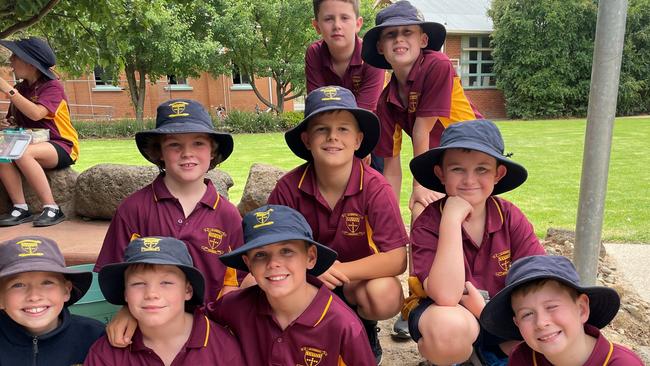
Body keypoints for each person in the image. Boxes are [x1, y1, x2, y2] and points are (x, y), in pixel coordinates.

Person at [268, 85, 408, 364]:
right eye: (322, 129)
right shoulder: (288, 187)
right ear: (306, 140)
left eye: (343, 129)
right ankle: (295, 335)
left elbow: (397, 258)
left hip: (356, 280)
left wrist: (339, 271)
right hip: (304, 279)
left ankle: (364, 327)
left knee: (386, 294)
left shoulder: (375, 186)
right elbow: (271, 246)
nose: (333, 137)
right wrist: (310, 272)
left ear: (358, 140)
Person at [405, 119, 546, 365]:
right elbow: (446, 296)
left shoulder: (510, 217)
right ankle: (452, 358)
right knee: (448, 328)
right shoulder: (428, 223)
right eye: (458, 169)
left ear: (498, 174)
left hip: (500, 318)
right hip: (446, 313)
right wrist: (450, 220)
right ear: (441, 173)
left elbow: (539, 279)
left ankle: (486, 356)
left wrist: (488, 313)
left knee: (549, 327)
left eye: (481, 169)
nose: (469, 180)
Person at [94, 99, 243, 306]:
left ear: (212, 151)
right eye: (174, 145)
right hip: (150, 323)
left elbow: (235, 282)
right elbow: (116, 275)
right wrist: (128, 312)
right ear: (159, 152)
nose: (187, 153)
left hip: (209, 325)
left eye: (198, 143)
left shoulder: (227, 215)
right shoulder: (134, 209)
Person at [206, 204, 375, 365]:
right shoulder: (233, 307)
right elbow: (193, 325)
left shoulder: (343, 326)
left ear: (310, 257)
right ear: (248, 263)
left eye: (286, 251)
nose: (273, 264)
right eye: (260, 255)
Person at [361, 0, 482, 220]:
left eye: (408, 32)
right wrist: (388, 217)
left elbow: (421, 130)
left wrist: (420, 185)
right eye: (390, 35)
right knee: (420, 215)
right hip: (442, 162)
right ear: (380, 47)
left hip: (475, 149)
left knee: (456, 215)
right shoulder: (386, 101)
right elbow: (391, 167)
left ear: (423, 40)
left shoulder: (438, 65)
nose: (399, 38)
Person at [85, 236, 245, 366]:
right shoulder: (106, 354)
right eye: (138, 283)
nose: (151, 294)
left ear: (188, 290)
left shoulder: (223, 347)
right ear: (125, 293)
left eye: (166, 283)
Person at [480, 255, 644, 365]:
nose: (541, 323)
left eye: (551, 307)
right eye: (527, 314)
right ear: (517, 323)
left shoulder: (622, 362)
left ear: (581, 309)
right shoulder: (523, 358)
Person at [0, 37, 79, 227]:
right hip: (30, 142)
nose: (10, 62)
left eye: (15, 57)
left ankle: (52, 208)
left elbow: (36, 114)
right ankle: (20, 208)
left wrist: (7, 89)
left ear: (30, 62)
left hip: (61, 145)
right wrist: (6, 123)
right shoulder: (21, 88)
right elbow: (17, 118)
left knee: (21, 152)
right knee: (3, 152)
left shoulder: (53, 87)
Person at [307, 0, 386, 172]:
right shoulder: (314, 53)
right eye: (328, 19)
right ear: (317, 26)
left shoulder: (371, 56)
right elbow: (317, 106)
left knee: (373, 178)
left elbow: (366, 110)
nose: (337, 25)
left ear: (358, 24)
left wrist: (362, 146)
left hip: (370, 128)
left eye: (344, 18)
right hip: (330, 130)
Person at [0, 236, 104, 365]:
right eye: (18, 285)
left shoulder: (94, 336)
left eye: (47, 282)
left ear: (66, 291)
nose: (34, 296)